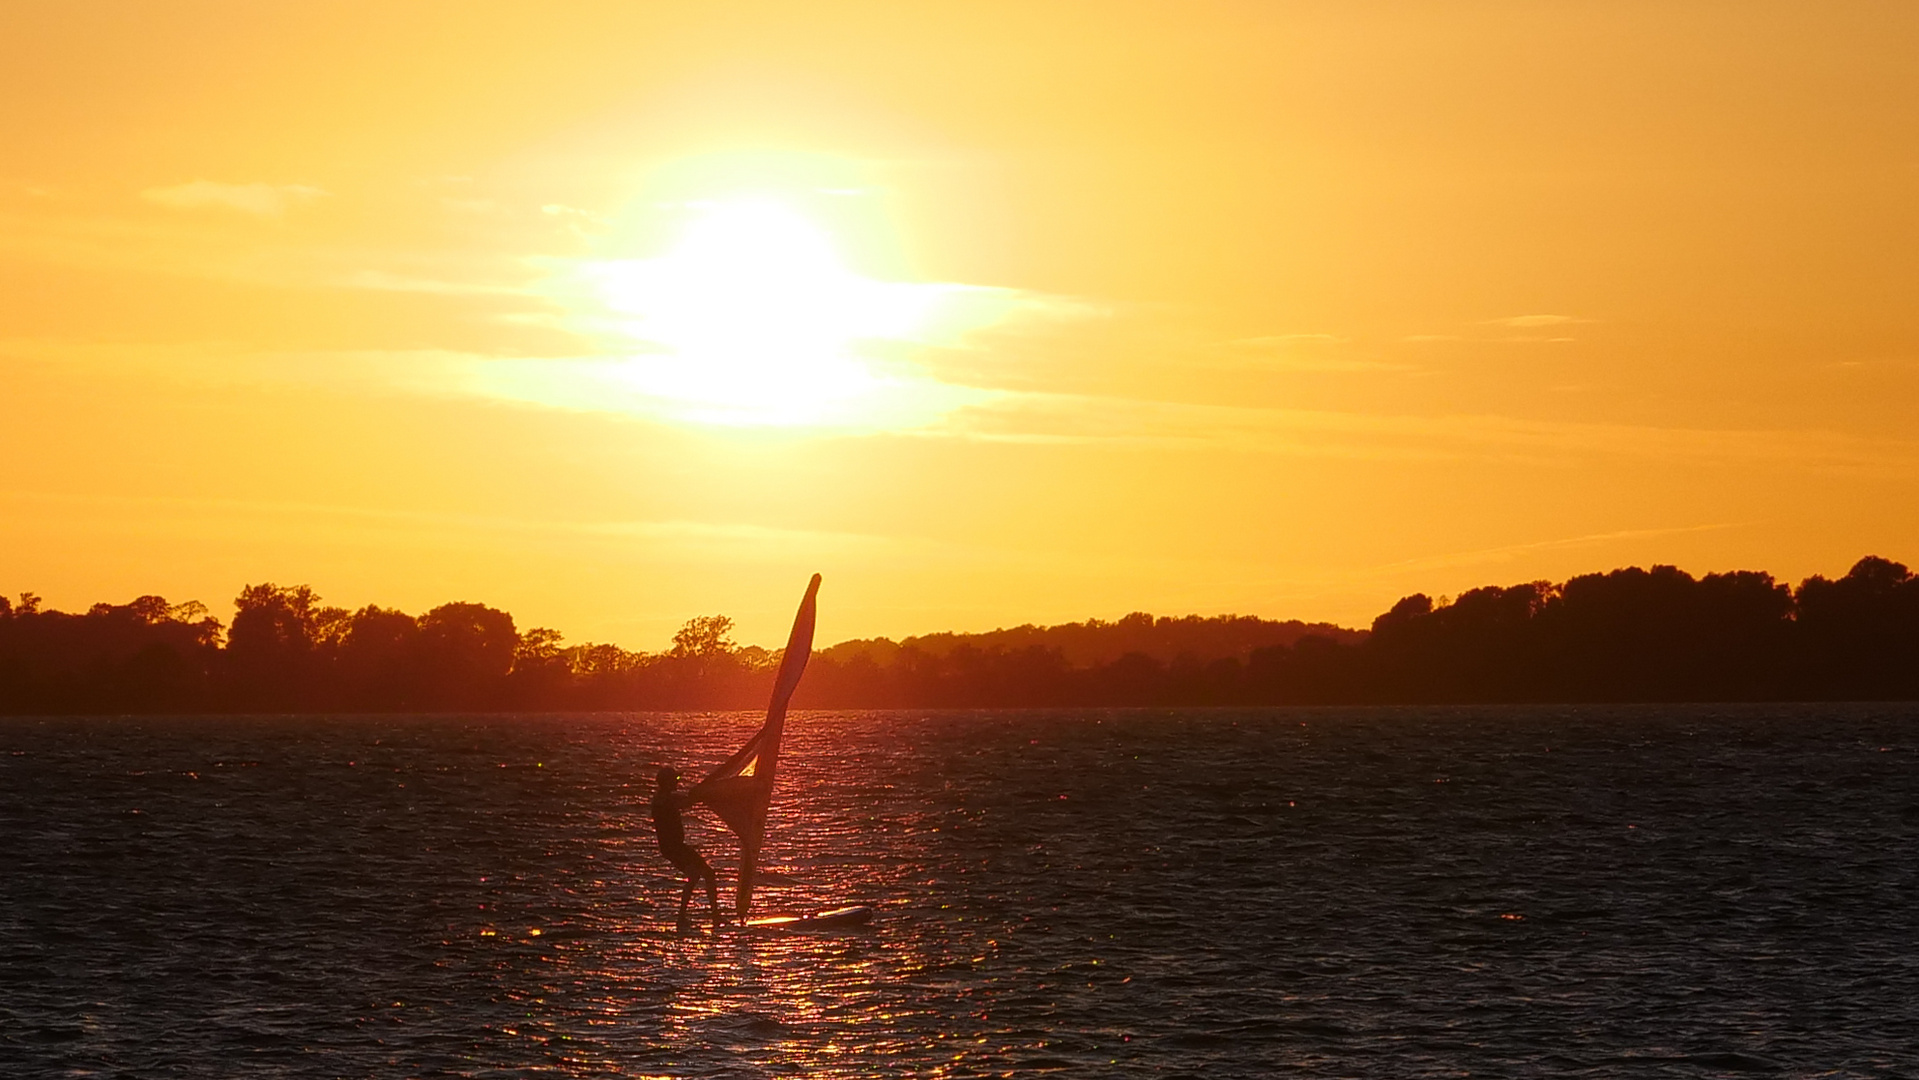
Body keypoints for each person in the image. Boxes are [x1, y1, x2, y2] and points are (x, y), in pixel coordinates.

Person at [651, 766, 722, 930]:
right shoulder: (663, 800)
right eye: (675, 780)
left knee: (699, 876)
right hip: (673, 848)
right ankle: (701, 917)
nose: (678, 782)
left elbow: (684, 800)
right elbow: (685, 802)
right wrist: (704, 793)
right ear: (667, 782)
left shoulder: (665, 797)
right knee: (705, 874)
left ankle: (690, 917)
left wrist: (701, 794)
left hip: (675, 847)